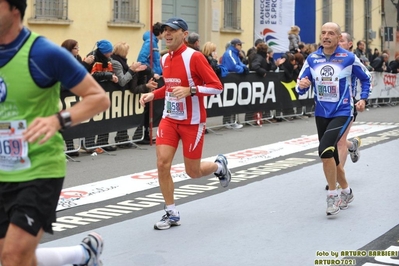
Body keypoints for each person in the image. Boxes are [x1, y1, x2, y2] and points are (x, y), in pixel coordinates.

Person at [0, 1, 109, 265]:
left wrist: (57, 120)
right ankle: (83, 254)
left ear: (14, 9)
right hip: (3, 169)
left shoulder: (43, 53)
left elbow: (98, 98)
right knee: (13, 257)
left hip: (38, 169)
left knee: (13, 256)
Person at [139, 17, 231, 230]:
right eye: (165, 31)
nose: (167, 34)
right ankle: (171, 213)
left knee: (193, 172)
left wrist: (191, 90)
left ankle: (219, 166)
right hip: (170, 120)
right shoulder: (164, 59)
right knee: (162, 163)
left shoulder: (195, 57)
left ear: (184, 34)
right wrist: (154, 95)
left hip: (193, 121)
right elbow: (170, 87)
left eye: (172, 30)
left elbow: (217, 87)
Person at [296, 22, 371, 216]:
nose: (326, 36)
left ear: (339, 38)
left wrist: (363, 98)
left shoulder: (348, 58)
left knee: (325, 150)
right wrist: (303, 85)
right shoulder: (312, 58)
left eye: (331, 33)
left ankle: (333, 195)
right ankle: (346, 191)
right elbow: (300, 84)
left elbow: (366, 78)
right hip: (321, 113)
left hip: (342, 111)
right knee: (332, 158)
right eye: (323, 33)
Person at [61, 39, 95, 156]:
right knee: (66, 120)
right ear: (69, 49)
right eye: (76, 48)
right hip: (64, 92)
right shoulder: (63, 59)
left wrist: (89, 65)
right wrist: (85, 64)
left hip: (75, 92)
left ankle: (73, 147)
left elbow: (82, 73)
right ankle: (69, 147)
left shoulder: (78, 58)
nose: (78, 50)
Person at [111, 41, 148, 148]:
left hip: (122, 93)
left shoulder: (121, 61)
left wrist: (133, 70)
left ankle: (123, 137)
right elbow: (122, 80)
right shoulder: (116, 62)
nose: (127, 53)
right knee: (119, 116)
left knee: (123, 116)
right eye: (126, 51)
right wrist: (132, 70)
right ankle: (120, 139)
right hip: (118, 92)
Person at [86, 39, 119, 152]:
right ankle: (89, 144)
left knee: (106, 117)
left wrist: (112, 76)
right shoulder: (92, 58)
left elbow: (109, 71)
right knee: (92, 118)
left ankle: (103, 142)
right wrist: (108, 75)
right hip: (93, 92)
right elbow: (92, 76)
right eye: (109, 52)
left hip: (105, 91)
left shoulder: (108, 59)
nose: (111, 54)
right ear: (104, 52)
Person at [220, 38, 249, 129]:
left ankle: (233, 121)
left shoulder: (235, 54)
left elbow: (239, 63)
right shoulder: (229, 53)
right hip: (229, 80)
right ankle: (227, 121)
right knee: (229, 100)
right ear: (235, 45)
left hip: (234, 80)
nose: (241, 46)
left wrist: (244, 67)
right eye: (240, 44)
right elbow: (233, 66)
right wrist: (243, 69)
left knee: (233, 101)